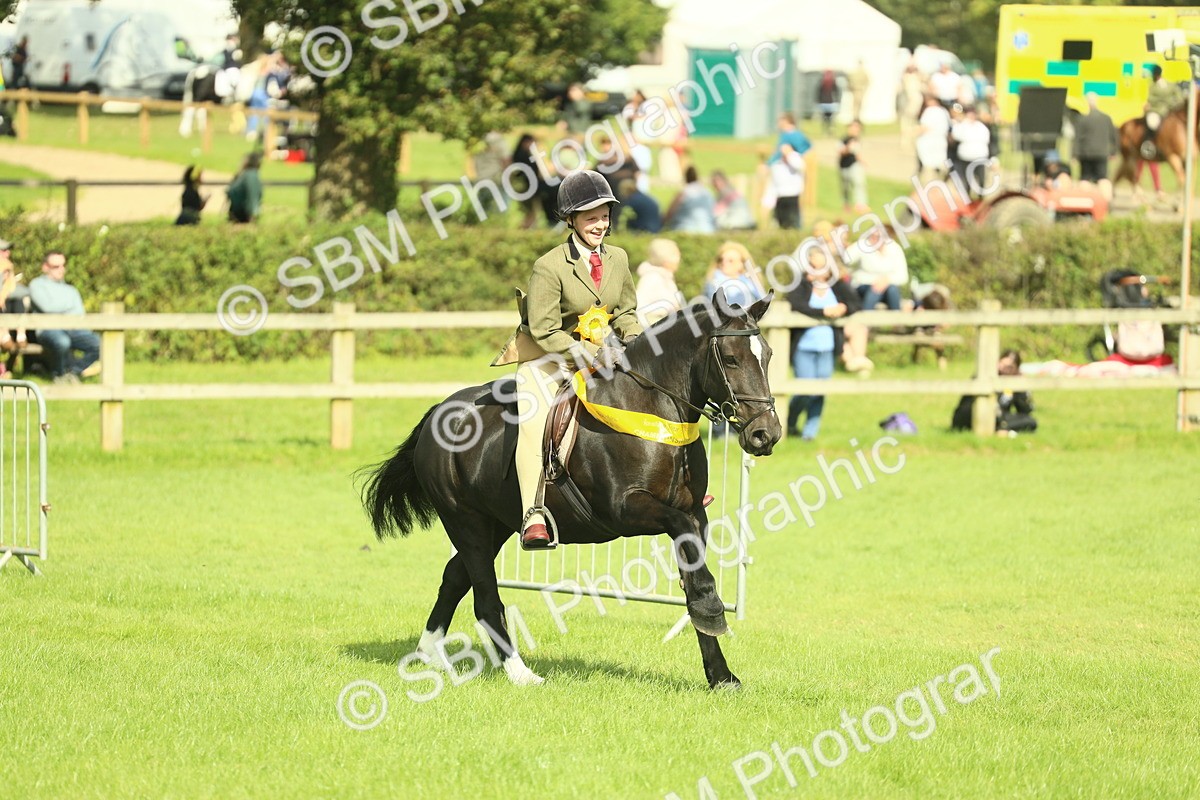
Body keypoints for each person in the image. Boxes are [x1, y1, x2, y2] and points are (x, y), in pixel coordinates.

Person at [512, 170, 642, 548]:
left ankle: (676, 486)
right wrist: (592, 354)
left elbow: (627, 312)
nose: (600, 225)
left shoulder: (618, 258)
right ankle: (533, 514)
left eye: (604, 216)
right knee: (534, 420)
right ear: (570, 220)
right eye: (590, 217)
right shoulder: (549, 266)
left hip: (606, 354)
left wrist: (638, 343)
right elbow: (544, 330)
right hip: (549, 360)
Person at [786, 248, 860, 441]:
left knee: (820, 391)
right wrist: (824, 311)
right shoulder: (800, 285)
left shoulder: (837, 286)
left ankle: (810, 432)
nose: (816, 271)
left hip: (827, 346)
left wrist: (844, 308)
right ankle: (790, 420)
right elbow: (796, 305)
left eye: (820, 267)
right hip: (804, 346)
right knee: (804, 389)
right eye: (813, 266)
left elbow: (855, 303)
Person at [28, 251, 100, 384]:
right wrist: (68, 307)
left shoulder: (71, 290)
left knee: (98, 344)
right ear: (45, 267)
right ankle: (59, 375)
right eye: (56, 266)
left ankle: (73, 371)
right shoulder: (36, 285)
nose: (61, 269)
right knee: (62, 341)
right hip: (48, 330)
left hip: (73, 329)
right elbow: (47, 307)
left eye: (63, 265)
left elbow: (79, 315)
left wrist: (62, 310)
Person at [952, 350, 1036, 434]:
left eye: (1009, 367)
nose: (1004, 369)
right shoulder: (984, 376)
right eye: (1002, 364)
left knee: (1030, 422)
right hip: (973, 415)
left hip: (1000, 418)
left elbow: (1025, 411)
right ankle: (1001, 429)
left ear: (1016, 370)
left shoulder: (1013, 382)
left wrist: (1022, 388)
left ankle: (1002, 429)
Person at [844, 224, 908, 311]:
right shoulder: (863, 245)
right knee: (875, 290)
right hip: (862, 286)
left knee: (892, 289)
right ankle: (865, 321)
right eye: (872, 235)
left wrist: (886, 280)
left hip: (887, 289)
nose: (874, 239)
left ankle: (896, 321)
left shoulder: (895, 249)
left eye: (878, 236)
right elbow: (845, 259)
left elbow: (903, 276)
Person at [634, 238, 685, 326]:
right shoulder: (652, 277)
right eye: (676, 255)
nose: (679, 260)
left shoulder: (667, 278)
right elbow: (639, 308)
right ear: (665, 259)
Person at [1073, 93, 1117, 193]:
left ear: (1088, 103)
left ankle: (1085, 201)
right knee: (1103, 179)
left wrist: (1074, 154)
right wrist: (1113, 152)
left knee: (1085, 179)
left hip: (1086, 154)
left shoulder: (1082, 119)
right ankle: (1105, 201)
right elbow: (1113, 136)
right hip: (1102, 153)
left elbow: (1077, 138)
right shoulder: (1106, 118)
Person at [512, 134, 558, 229]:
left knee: (531, 213)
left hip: (526, 188)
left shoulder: (519, 156)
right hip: (529, 188)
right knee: (531, 213)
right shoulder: (525, 157)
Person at [703, 241, 766, 310]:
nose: (724, 263)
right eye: (721, 260)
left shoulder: (751, 284)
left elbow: (764, 309)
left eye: (730, 261)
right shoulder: (713, 284)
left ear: (741, 264)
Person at [1142, 65, 1185, 160]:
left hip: (1163, 111)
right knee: (1152, 123)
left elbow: (1179, 98)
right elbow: (1151, 98)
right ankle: (1151, 144)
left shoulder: (1163, 85)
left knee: (1153, 123)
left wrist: (1169, 103)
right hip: (1162, 111)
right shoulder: (1159, 85)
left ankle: (1152, 143)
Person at [664, 166, 717, 234]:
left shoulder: (684, 192)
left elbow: (669, 213)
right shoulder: (708, 192)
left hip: (685, 229)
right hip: (708, 229)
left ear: (686, 178)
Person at [950, 105, 990, 190]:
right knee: (967, 179)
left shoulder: (981, 127)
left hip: (979, 156)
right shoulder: (962, 126)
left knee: (981, 178)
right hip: (966, 157)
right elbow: (956, 136)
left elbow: (986, 139)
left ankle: (980, 197)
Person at [0, 237, 29, 358]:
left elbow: (12, 289)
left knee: (17, 299)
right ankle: (5, 335)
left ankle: (19, 335)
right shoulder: (5, 266)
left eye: (8, 250)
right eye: (3, 250)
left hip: (8, 309)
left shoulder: (8, 266)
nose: (8, 253)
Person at [472, 131, 510, 218]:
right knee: (501, 211)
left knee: (483, 212)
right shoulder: (499, 140)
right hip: (497, 180)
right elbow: (506, 160)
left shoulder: (478, 140)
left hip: (481, 179)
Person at [915, 94, 951, 182]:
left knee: (928, 165)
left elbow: (925, 127)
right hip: (941, 141)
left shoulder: (930, 111)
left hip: (929, 141)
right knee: (939, 162)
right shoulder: (944, 111)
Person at [839, 120, 869, 214]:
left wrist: (862, 161)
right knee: (846, 187)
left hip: (854, 165)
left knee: (859, 183)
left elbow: (857, 153)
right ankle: (846, 205)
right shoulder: (844, 139)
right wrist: (847, 148)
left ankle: (860, 205)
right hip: (844, 166)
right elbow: (840, 152)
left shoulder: (857, 140)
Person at [227, 152, 263, 223]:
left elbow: (252, 195)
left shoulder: (250, 175)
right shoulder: (245, 175)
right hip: (239, 213)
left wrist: (252, 215)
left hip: (243, 214)